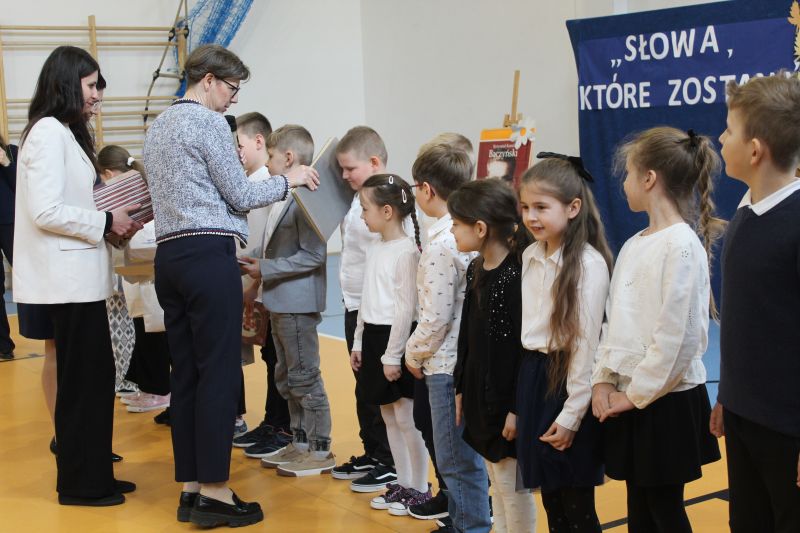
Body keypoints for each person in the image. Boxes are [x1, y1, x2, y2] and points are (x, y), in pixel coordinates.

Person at [144, 44, 318, 528]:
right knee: (218, 374)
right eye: (231, 88)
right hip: (206, 254)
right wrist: (289, 180)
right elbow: (240, 193)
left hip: (170, 257)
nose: (233, 99)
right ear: (208, 80)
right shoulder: (207, 123)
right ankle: (216, 493)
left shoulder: (158, 126)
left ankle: (191, 487)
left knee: (186, 375)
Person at [14, 45, 142, 506]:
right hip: (65, 281)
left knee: (91, 381)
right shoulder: (48, 132)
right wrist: (106, 221)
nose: (97, 95)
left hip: (79, 278)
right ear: (67, 84)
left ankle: (93, 473)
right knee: (83, 385)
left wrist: (115, 218)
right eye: (91, 86)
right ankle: (81, 484)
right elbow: (46, 210)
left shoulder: (64, 132)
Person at [592, 128, 723, 533]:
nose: (624, 184)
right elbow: (614, 322)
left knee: (664, 509)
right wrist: (603, 380)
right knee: (640, 508)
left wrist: (633, 395)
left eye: (629, 174)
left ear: (649, 179)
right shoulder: (634, 244)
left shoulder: (681, 245)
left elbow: (677, 340)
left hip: (665, 401)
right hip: (630, 397)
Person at [711, 74, 800, 532]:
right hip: (745, 415)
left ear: (755, 150)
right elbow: (746, 324)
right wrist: (728, 395)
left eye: (729, 130)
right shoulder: (746, 211)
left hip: (788, 428)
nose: (720, 138)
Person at [516, 155, 612, 532]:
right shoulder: (530, 255)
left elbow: (586, 348)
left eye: (541, 207)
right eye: (525, 207)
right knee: (552, 499)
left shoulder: (588, 265)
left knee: (576, 503)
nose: (531, 216)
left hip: (570, 383)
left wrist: (572, 415)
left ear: (573, 208)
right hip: (535, 378)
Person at [239, 125, 334, 476]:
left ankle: (320, 449)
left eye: (273, 157)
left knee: (304, 377)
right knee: (287, 376)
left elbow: (314, 256)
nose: (268, 165)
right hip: (280, 301)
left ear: (289, 158)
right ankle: (300, 441)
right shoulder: (285, 195)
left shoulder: (307, 197)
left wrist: (266, 268)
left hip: (297, 303)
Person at [404, 144, 489, 531]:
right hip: (460, 360)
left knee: (455, 460)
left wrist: (413, 353)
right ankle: (460, 521)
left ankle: (471, 526)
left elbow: (435, 318)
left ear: (426, 189)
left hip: (444, 365)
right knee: (461, 459)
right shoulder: (465, 236)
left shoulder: (442, 244)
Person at [446, 178, 535, 533]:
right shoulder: (476, 267)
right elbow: (467, 335)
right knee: (495, 483)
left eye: (456, 223)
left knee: (512, 488)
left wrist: (516, 407)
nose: (452, 230)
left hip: (505, 401)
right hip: (479, 395)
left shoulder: (516, 275)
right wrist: (460, 387)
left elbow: (524, 349)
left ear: (480, 228)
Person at [349, 174, 431, 514]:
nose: (362, 216)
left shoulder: (406, 252)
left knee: (406, 418)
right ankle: (403, 481)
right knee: (388, 416)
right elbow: (366, 300)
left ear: (386, 211)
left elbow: (404, 310)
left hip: (395, 340)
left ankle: (420, 486)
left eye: (365, 209)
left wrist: (392, 355)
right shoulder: (375, 247)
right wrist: (358, 341)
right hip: (373, 338)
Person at [332, 126, 398, 491]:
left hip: (378, 309)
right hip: (354, 303)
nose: (344, 176)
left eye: (350, 168)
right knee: (363, 386)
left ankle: (390, 460)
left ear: (374, 162)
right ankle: (374, 451)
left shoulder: (390, 201)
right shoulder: (357, 198)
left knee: (379, 389)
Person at [231, 112, 293, 454]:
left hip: (267, 281)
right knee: (272, 357)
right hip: (256, 279)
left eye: (238, 144)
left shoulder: (270, 186)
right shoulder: (250, 183)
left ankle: (282, 426)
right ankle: (272, 420)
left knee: (280, 359)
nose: (235, 152)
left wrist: (257, 278)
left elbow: (270, 241)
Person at [97, 145, 171, 414]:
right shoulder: (137, 187)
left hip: (149, 272)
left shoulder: (137, 192)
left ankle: (160, 390)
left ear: (108, 173)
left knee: (155, 334)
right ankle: (151, 388)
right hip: (139, 273)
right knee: (145, 330)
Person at [0, 134, 17, 360]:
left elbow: (26, 189)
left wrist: (6, 163)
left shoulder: (12, 152)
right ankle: (4, 345)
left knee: (29, 278)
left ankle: (52, 335)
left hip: (12, 224)